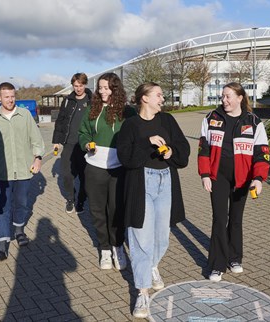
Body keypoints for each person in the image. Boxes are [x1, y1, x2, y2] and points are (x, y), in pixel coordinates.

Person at [117, 82, 190, 318]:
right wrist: (146, 142)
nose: (162, 98)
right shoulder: (130, 125)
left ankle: (152, 266)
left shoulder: (167, 120)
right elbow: (126, 157)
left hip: (165, 180)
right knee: (141, 238)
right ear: (144, 98)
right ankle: (142, 292)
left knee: (161, 237)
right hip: (141, 184)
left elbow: (183, 147)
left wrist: (172, 153)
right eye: (158, 95)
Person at [198, 82, 270, 282]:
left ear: (240, 98)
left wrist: (258, 179)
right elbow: (203, 148)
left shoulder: (254, 122)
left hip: (243, 178)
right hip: (217, 177)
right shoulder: (212, 118)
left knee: (236, 219)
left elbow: (261, 153)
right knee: (219, 219)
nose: (224, 100)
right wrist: (204, 174)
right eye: (222, 96)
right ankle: (217, 265)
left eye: (228, 96)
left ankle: (235, 258)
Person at [78, 72, 136, 271]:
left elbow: (137, 133)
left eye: (106, 87)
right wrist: (86, 144)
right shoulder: (91, 110)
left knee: (116, 210)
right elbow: (83, 132)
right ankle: (104, 249)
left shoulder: (128, 112)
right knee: (97, 211)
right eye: (100, 88)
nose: (103, 91)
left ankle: (117, 246)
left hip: (119, 169)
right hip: (94, 167)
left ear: (115, 89)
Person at [0, 82, 45, 262]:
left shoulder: (25, 115)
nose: (10, 100)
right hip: (1, 173)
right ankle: (2, 245)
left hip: (23, 170)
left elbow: (36, 139)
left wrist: (37, 158)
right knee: (2, 208)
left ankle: (19, 231)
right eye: (6, 97)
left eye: (12, 96)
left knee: (21, 203)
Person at [52, 73, 92, 214]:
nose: (78, 88)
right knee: (67, 174)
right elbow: (61, 121)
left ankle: (81, 200)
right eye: (75, 86)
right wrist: (56, 141)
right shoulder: (68, 101)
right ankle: (70, 199)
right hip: (69, 144)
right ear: (72, 85)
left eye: (81, 85)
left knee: (85, 177)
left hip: (86, 145)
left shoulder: (92, 101)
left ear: (85, 85)